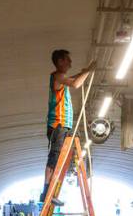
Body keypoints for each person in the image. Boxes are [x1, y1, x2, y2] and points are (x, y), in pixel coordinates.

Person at [41, 50, 95, 206]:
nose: (70, 63)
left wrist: (83, 72)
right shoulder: (57, 76)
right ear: (60, 61)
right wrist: (89, 70)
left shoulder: (61, 78)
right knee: (54, 158)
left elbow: (72, 79)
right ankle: (47, 193)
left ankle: (50, 192)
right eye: (68, 60)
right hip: (58, 125)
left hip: (63, 125)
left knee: (58, 159)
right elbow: (76, 83)